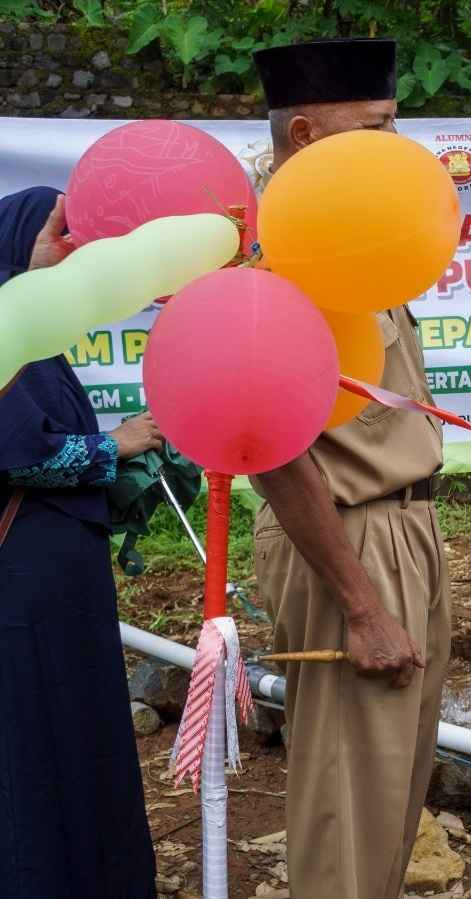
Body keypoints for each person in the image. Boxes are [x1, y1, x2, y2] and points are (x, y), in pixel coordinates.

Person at [247, 39, 451, 899]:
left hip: (406, 528)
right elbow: (275, 452)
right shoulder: (274, 266)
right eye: (374, 128)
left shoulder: (351, 235)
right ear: (304, 132)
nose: (392, 149)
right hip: (345, 541)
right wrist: (361, 604)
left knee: (392, 800)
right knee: (347, 806)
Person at [0, 186, 164, 899]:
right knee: (34, 727)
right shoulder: (7, 329)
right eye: (57, 231)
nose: (71, 247)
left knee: (78, 720)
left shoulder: (38, 336)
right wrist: (114, 445)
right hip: (23, 585)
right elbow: (17, 454)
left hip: (59, 582)